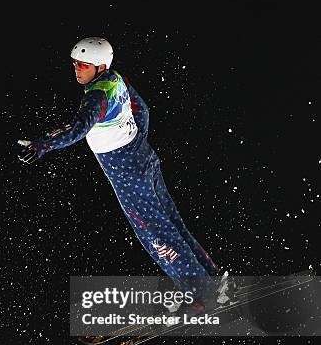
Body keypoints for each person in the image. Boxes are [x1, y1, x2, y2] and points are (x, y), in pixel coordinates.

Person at [18, 37, 230, 311]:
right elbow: (143, 109)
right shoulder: (114, 79)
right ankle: (210, 277)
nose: (77, 69)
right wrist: (137, 140)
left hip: (129, 173)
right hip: (144, 159)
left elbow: (78, 130)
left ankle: (201, 294)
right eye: (74, 64)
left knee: (156, 235)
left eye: (83, 64)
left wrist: (41, 146)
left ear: (99, 66)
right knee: (171, 223)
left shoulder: (96, 95)